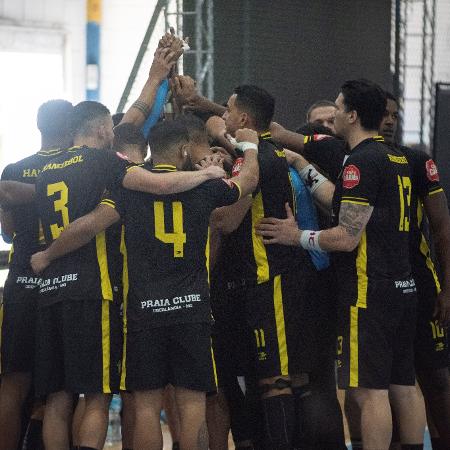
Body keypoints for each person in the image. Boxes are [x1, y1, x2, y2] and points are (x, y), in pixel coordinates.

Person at [30, 117, 259, 450]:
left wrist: (48, 254)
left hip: (143, 314)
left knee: (147, 407)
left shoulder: (128, 191)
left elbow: (90, 224)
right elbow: (249, 181)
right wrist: (249, 147)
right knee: (192, 403)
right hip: (192, 310)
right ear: (183, 150)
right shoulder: (204, 186)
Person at [256, 79, 427, 450]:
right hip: (402, 287)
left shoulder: (360, 161)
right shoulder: (397, 156)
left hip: (369, 291)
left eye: (336, 106)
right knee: (404, 385)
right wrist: (303, 164)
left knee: (369, 393)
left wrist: (296, 236)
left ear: (351, 114)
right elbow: (347, 204)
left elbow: (347, 236)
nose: (332, 113)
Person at [0, 99, 74, 450]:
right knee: (57, 385)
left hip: (22, 283)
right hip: (63, 281)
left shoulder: (13, 169)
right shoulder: (77, 167)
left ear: (38, 124)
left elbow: (9, 230)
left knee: (13, 382)